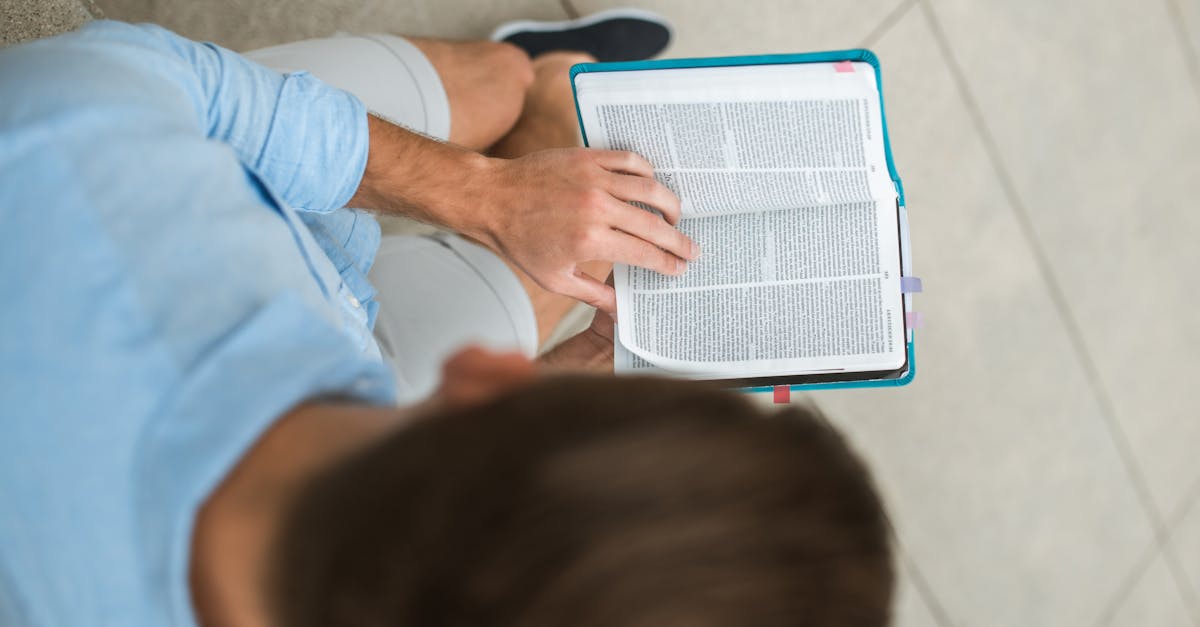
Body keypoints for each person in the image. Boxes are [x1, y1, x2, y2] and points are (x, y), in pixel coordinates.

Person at [0, 11, 893, 627]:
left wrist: (491, 191)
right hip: (354, 355)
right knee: (566, 214)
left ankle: (536, 79)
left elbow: (153, 82)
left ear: (482, 374)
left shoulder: (64, 159)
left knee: (515, 89)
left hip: (187, 231)